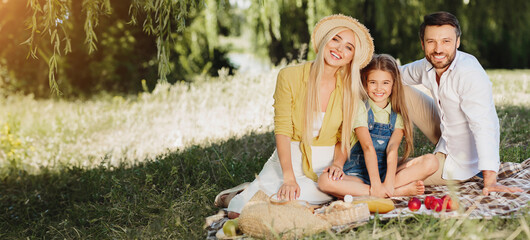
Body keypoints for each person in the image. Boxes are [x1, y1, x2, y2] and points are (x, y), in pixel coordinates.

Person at [218, 14, 375, 219]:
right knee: (238, 213)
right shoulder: (289, 76)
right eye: (336, 39)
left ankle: (251, 192)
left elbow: (343, 138)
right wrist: (289, 178)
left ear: (351, 57)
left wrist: (337, 163)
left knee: (283, 206)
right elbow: (282, 130)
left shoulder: (349, 91)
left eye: (349, 47)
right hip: (287, 161)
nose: (339, 49)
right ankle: (238, 196)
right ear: (325, 40)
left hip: (322, 170)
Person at [400, 11, 523, 195]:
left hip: (461, 161)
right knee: (389, 83)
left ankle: (376, 175)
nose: (438, 49)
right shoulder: (427, 65)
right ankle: (377, 147)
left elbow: (484, 125)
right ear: (423, 43)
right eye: (431, 41)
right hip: (445, 132)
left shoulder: (469, 73)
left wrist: (490, 180)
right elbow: (394, 73)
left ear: (457, 42)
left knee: (401, 172)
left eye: (446, 41)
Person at [318, 54, 438, 198]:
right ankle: (395, 192)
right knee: (324, 181)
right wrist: (376, 184)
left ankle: (380, 191)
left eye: (385, 83)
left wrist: (388, 181)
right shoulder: (361, 108)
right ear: (366, 83)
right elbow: (368, 146)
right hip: (358, 173)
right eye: (373, 82)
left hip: (387, 172)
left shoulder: (397, 114)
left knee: (432, 162)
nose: (379, 88)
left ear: (394, 84)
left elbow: (392, 150)